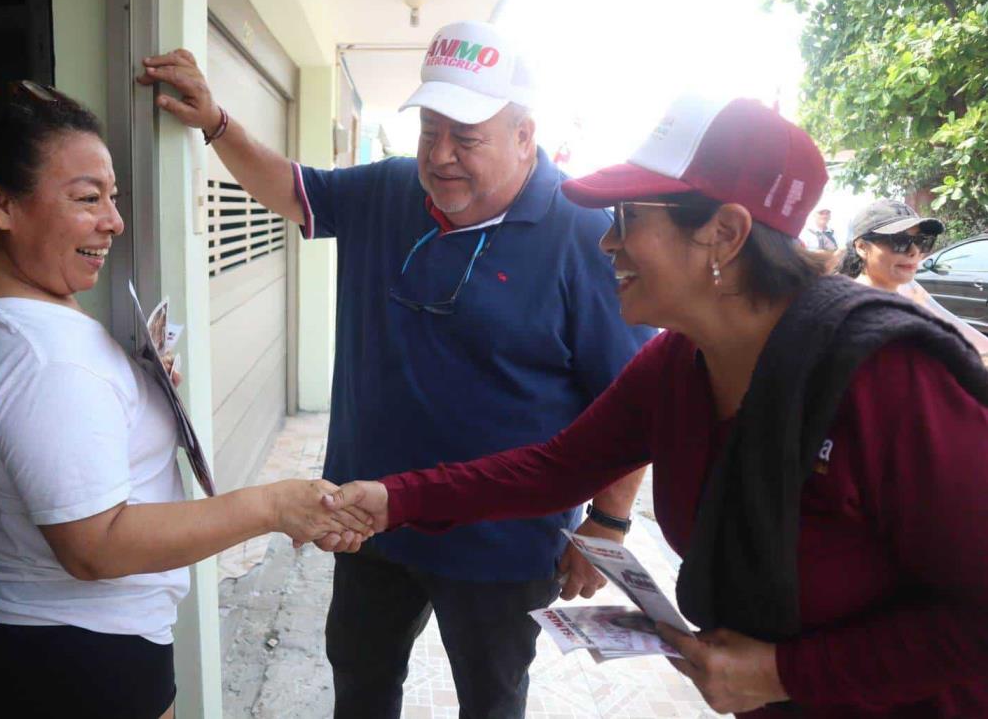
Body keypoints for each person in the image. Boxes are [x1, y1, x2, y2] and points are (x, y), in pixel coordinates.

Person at [328, 95, 988, 717]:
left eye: (628, 219)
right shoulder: (678, 364)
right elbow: (553, 469)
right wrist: (394, 499)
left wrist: (785, 672)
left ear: (725, 233)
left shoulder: (887, 384)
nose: (607, 244)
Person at [139, 20, 654, 718]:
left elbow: (631, 399)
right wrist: (219, 122)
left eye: (466, 138)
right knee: (360, 685)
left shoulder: (583, 232)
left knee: (492, 699)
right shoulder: (390, 191)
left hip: (502, 543)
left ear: (525, 136)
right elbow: (293, 190)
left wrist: (609, 522)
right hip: (369, 517)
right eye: (429, 131)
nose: (441, 156)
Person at [0, 81, 372, 719]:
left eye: (112, 196)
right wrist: (273, 505)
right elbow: (96, 546)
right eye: (87, 199)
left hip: (6, 622)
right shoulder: (49, 358)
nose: (114, 221)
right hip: (75, 653)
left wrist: (131, 386)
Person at [838, 198, 988, 362]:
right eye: (899, 242)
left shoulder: (909, 289)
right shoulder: (851, 313)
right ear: (861, 247)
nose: (914, 251)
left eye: (921, 241)